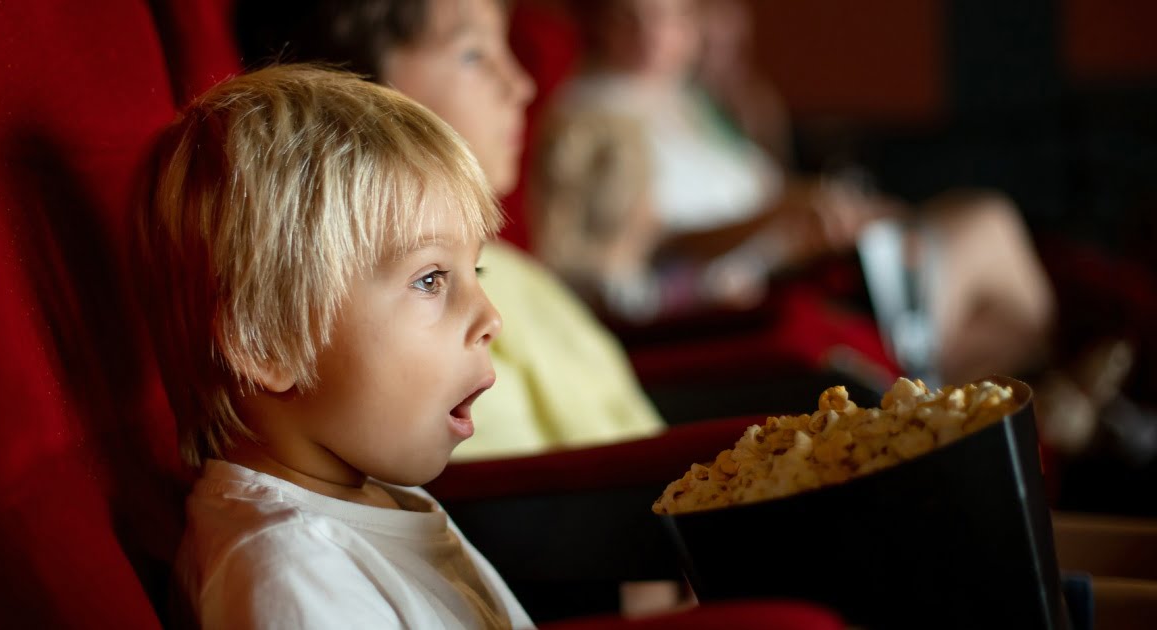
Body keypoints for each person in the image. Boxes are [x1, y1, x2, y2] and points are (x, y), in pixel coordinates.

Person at [136, 65, 533, 628]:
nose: (490, 318)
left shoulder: (375, 498)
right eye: (430, 280)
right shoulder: (288, 574)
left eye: (476, 270)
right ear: (267, 343)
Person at [236, 0, 666, 462]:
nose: (521, 85)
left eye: (473, 267)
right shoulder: (407, 346)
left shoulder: (516, 274)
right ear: (356, 91)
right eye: (473, 54)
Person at [546, 0, 1057, 386]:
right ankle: (1003, 407)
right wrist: (778, 215)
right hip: (747, 292)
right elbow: (646, 246)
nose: (654, 36)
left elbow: (765, 187)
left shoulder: (687, 104)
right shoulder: (593, 114)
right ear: (601, 22)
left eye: (671, 17)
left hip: (800, 255)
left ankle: (983, 405)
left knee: (995, 274)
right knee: (991, 224)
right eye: (632, 17)